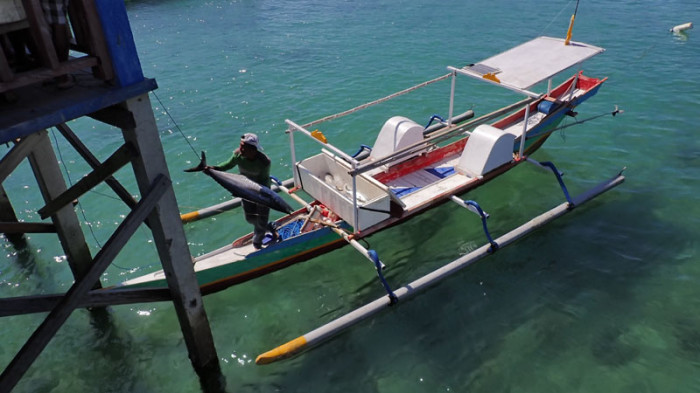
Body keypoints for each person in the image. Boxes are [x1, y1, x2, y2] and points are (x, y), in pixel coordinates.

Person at [212, 133, 276, 249]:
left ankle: (257, 243)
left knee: (260, 220)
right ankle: (268, 227)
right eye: (240, 145)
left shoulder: (264, 162)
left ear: (252, 150)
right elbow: (227, 165)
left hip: (262, 193)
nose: (240, 149)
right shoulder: (238, 155)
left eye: (243, 147)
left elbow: (262, 182)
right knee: (250, 218)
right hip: (245, 190)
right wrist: (214, 169)